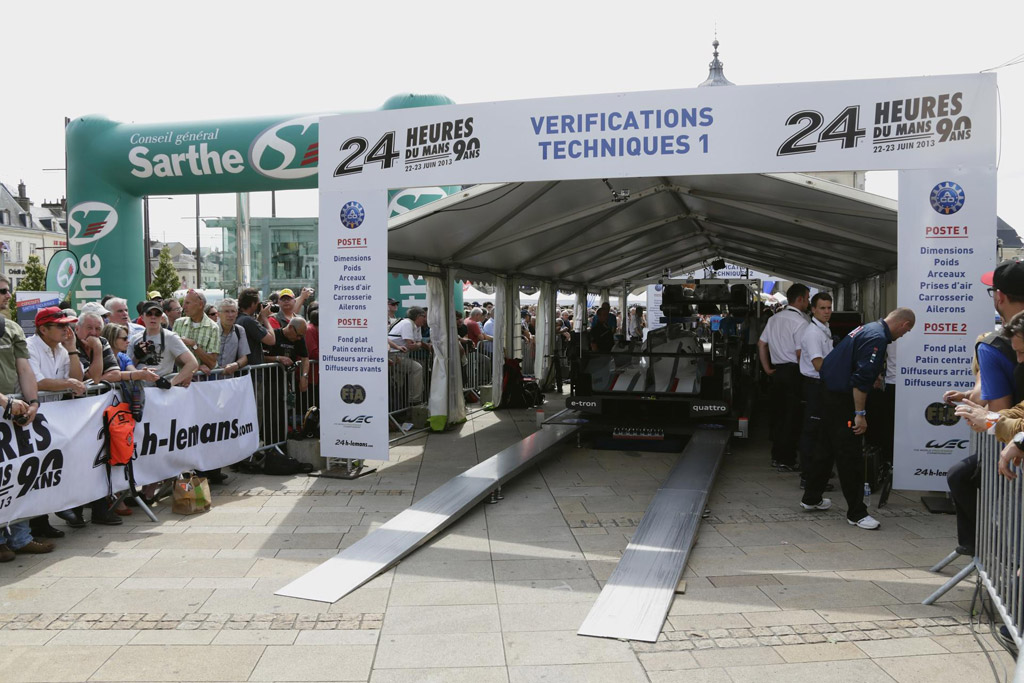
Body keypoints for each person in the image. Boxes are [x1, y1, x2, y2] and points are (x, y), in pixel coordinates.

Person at [801, 307, 916, 530]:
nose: (903, 336)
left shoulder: (868, 328)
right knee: (850, 455)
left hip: (828, 392)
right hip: (842, 399)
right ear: (904, 324)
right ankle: (857, 513)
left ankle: (811, 498)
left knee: (825, 448)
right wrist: (859, 415)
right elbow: (860, 381)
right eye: (906, 331)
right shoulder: (877, 338)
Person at [942, 261, 1024, 557]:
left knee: (961, 478)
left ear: (999, 297)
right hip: (1014, 443)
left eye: (1021, 352)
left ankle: (986, 552)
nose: (1019, 359)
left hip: (1011, 451)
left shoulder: (991, 345)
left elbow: (999, 409)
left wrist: (989, 420)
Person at [0, 278, 51, 560]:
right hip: (7, 404)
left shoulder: (12, 327)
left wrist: (33, 403)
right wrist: (5, 401)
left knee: (19, 474)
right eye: (2, 291)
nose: (8, 295)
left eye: (8, 290)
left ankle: (20, 538)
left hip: (13, 409)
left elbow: (24, 369)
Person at [758, 283, 811, 471]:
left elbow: (761, 344)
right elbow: (799, 353)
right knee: (793, 417)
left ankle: (777, 456)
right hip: (794, 372)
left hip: (778, 372)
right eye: (808, 298)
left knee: (778, 415)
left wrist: (766, 368)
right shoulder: (801, 322)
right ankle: (787, 459)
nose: (808, 302)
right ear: (800, 299)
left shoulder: (774, 319)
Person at [797, 292, 834, 488]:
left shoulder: (824, 329)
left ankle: (817, 472)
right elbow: (819, 364)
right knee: (812, 432)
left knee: (821, 431)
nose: (827, 312)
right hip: (814, 385)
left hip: (821, 385)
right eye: (822, 308)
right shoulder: (813, 333)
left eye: (829, 308)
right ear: (813, 310)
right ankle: (809, 477)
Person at [129, 300, 198, 387]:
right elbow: (127, 367)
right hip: (139, 389)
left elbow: (192, 363)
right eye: (149, 314)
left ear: (161, 317)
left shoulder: (171, 337)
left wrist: (170, 383)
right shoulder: (134, 339)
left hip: (161, 391)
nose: (153, 317)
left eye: (157, 314)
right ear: (142, 317)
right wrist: (136, 357)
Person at [173, 289, 221, 374]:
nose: (183, 306)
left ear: (200, 305)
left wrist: (194, 345)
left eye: (188, 303)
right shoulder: (178, 323)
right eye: (184, 303)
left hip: (204, 381)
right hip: (182, 380)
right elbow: (173, 356)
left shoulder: (213, 328)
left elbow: (212, 363)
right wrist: (195, 367)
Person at [388, 307, 429, 404]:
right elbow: (411, 345)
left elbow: (418, 343)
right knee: (417, 368)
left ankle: (402, 404)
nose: (425, 319)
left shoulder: (417, 326)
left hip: (401, 355)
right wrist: (417, 345)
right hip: (393, 355)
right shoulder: (407, 323)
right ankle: (415, 401)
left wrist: (417, 344)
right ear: (418, 316)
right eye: (424, 317)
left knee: (399, 382)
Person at [74, 311, 121, 384]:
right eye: (89, 328)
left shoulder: (102, 341)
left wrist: (96, 381)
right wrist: (97, 348)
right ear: (77, 329)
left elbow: (115, 374)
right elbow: (93, 377)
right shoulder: (71, 344)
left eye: (98, 329)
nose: (93, 333)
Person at [215, 298, 250, 376]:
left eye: (233, 311)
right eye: (226, 311)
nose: (230, 315)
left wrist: (236, 365)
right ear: (218, 314)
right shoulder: (211, 329)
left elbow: (244, 357)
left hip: (229, 379)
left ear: (237, 313)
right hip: (209, 379)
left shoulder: (239, 330)